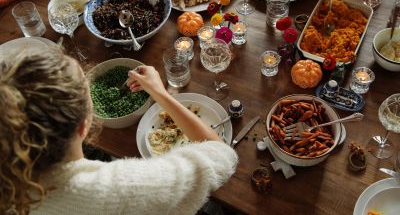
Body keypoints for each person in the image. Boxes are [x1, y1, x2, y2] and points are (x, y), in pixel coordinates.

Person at [0, 45, 238, 215]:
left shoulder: (10, 185)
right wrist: (161, 94)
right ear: (84, 125)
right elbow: (220, 156)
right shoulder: (120, 188)